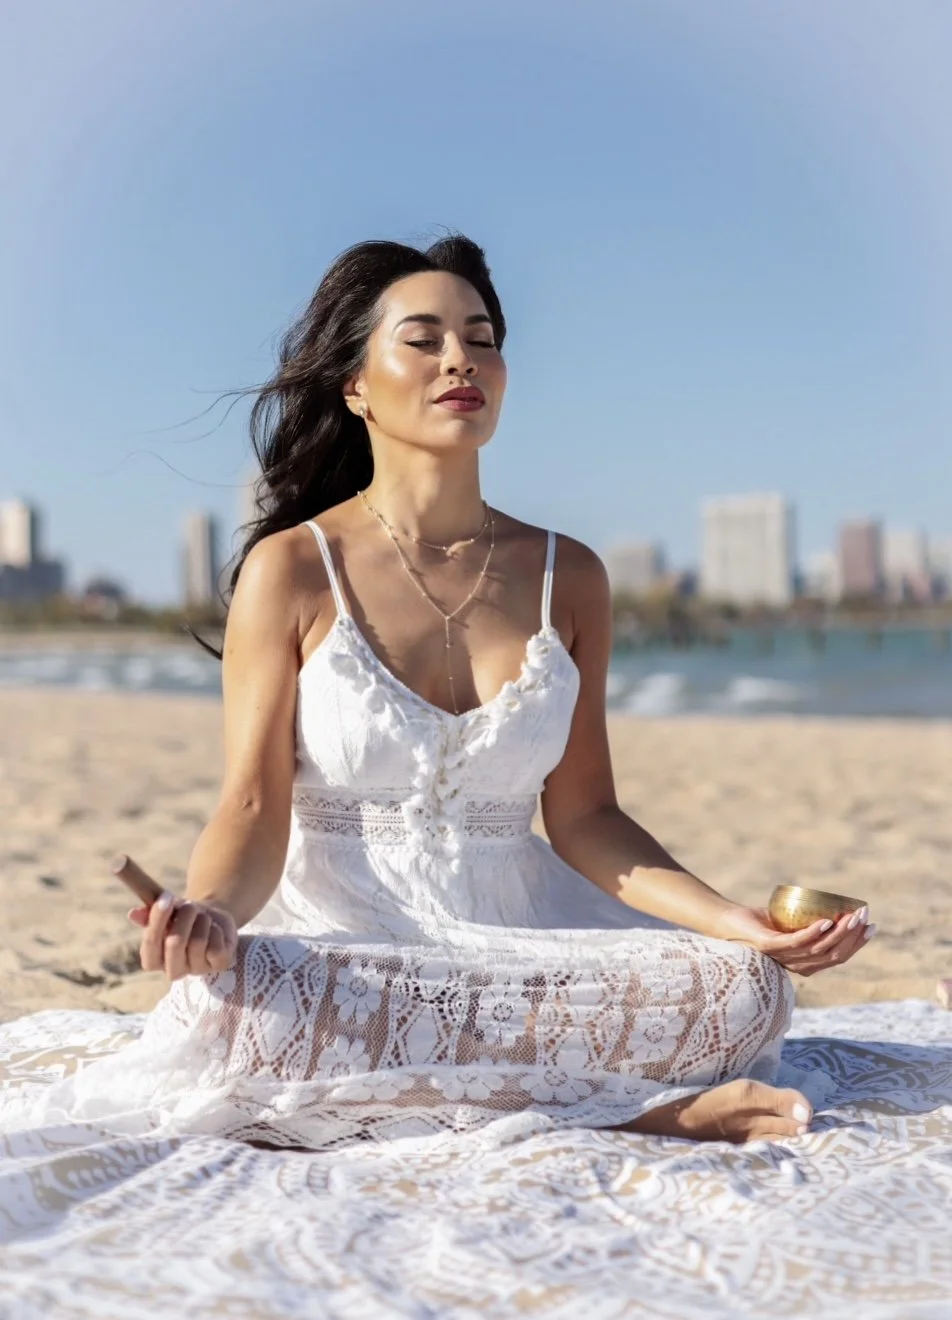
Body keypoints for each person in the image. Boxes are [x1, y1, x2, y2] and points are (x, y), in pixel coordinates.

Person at [0, 235, 874, 1151]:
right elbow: (253, 804)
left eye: (482, 337)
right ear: (356, 386)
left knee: (746, 992)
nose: (462, 358)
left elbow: (587, 818)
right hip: (348, 939)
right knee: (242, 1004)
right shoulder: (294, 569)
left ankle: (488, 1096)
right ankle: (637, 1112)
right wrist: (212, 913)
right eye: (423, 339)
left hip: (523, 941)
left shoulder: (567, 575)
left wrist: (731, 920)